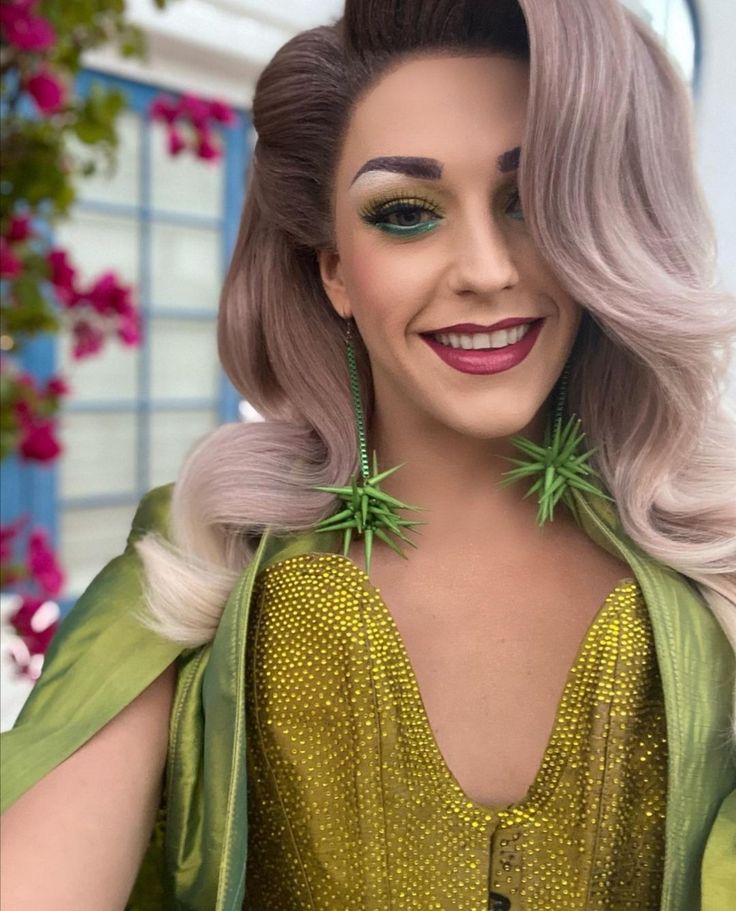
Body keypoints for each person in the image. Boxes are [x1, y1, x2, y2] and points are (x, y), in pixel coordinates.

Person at [1, 0, 735, 908]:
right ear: (334, 270)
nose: (486, 268)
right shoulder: (211, 557)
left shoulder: (716, 564)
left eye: (530, 200)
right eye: (405, 213)